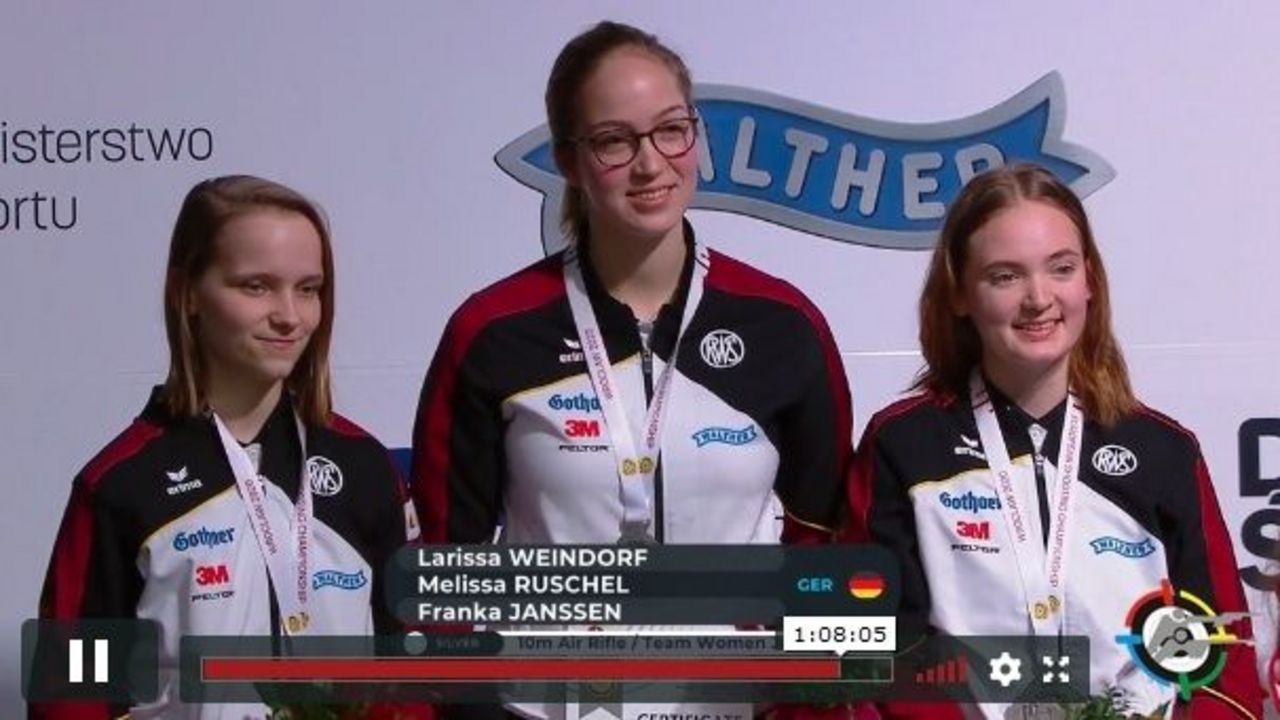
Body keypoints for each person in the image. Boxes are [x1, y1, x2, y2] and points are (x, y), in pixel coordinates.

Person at [410, 20, 852, 717]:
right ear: (568, 159)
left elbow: (825, 552)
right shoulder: (493, 332)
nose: (650, 164)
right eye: (615, 141)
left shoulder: (784, 325)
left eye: (671, 130)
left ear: (696, 137)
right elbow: (444, 571)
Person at [847, 164, 1262, 719]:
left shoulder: (1163, 450)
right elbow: (871, 647)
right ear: (960, 294)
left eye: (1060, 268)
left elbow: (1223, 665)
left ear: (1088, 281)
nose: (1038, 298)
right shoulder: (904, 444)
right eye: (1005, 276)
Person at [31, 175, 422, 720]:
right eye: (255, 286)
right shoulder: (121, 483)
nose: (289, 315)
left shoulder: (362, 465)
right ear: (188, 292)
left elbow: (410, 668)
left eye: (308, 288)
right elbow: (69, 695)